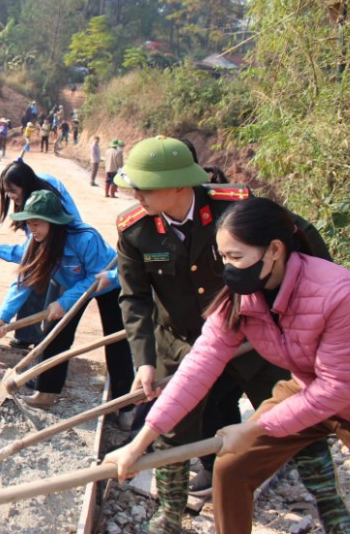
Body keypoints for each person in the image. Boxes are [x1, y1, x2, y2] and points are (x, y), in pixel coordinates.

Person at [109, 135, 347, 533]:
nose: (136, 195)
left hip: (263, 342)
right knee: (179, 433)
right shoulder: (136, 230)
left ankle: (333, 509)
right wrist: (144, 363)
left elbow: (301, 241)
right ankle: (170, 514)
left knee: (306, 424)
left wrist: (306, 307)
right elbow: (135, 299)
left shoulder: (236, 208)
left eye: (145, 187)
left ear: (180, 184)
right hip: (187, 340)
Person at [0, 190, 134, 410]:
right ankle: (46, 392)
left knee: (115, 341)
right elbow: (24, 280)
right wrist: (4, 318)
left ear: (53, 223)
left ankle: (125, 406)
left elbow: (93, 279)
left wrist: (64, 302)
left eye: (36, 224)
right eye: (29, 223)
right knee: (55, 334)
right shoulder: (34, 243)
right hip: (72, 283)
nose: (31, 229)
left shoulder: (85, 238)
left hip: (107, 282)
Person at [0, 161, 80, 350]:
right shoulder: (30, 206)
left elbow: (28, 268)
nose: (9, 196)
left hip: (69, 260)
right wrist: (3, 318)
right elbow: (29, 252)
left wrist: (2, 318)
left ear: (25, 185)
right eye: (6, 191)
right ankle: (26, 335)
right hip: (49, 248)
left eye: (13, 191)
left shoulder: (54, 203)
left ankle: (45, 358)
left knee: (54, 310)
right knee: (35, 279)